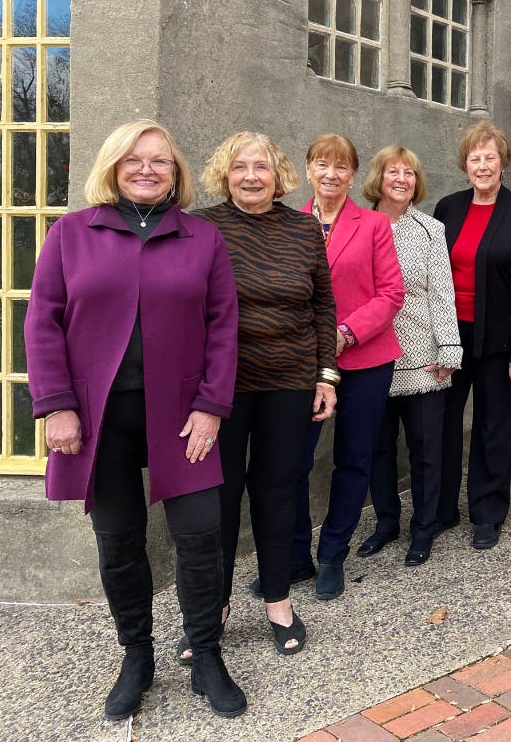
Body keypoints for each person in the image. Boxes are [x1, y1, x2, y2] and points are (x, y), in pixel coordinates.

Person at [24, 120, 246, 719]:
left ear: (176, 173)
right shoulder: (72, 233)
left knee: (200, 537)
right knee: (119, 540)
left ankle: (205, 654)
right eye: (134, 160)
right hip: (100, 419)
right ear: (113, 167)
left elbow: (223, 327)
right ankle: (137, 655)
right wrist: (57, 405)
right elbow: (42, 321)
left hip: (183, 416)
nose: (147, 169)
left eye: (160, 161)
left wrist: (211, 406)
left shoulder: (202, 238)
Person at [195, 132, 338, 659]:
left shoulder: (304, 229)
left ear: (278, 175)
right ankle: (214, 607)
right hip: (221, 388)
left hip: (289, 382)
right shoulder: (202, 228)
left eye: (261, 167)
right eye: (240, 167)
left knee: (277, 492)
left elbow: (323, 306)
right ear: (225, 174)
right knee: (220, 495)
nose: (251, 176)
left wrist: (326, 376)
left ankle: (278, 601)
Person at [291, 134, 404, 599]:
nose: (331, 174)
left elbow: (391, 293)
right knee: (293, 463)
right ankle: (295, 557)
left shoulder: (373, 224)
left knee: (354, 459)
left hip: (364, 358)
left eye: (341, 167)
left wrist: (346, 332)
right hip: (302, 362)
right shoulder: (289, 224)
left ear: (353, 176)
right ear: (308, 169)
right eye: (322, 164)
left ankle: (332, 554)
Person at [434, 121, 511, 550]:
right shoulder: (447, 208)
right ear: (466, 165)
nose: (482, 165)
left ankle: (487, 512)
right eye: (475, 158)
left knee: (492, 426)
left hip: (498, 340)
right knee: (443, 424)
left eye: (489, 157)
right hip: (448, 336)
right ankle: (441, 509)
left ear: (503, 162)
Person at [360, 145, 463, 567]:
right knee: (376, 448)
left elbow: (442, 292)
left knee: (425, 450)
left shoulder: (430, 229)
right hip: (370, 356)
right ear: (378, 178)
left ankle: (424, 527)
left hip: (422, 355)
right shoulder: (359, 224)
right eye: (393, 172)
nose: (401, 179)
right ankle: (386, 523)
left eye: (409, 173)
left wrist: (449, 347)